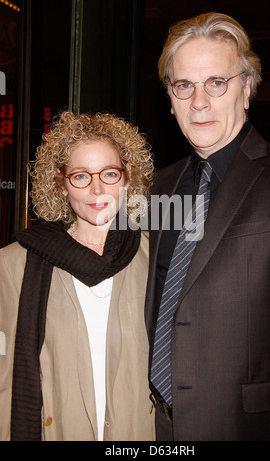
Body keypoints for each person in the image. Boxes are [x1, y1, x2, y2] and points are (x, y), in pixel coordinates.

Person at [145, 12, 270, 440]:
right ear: (171, 97)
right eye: (184, 86)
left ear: (247, 89)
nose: (199, 102)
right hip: (155, 427)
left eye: (217, 83)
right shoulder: (158, 187)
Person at [0, 111, 155, 441]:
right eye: (81, 176)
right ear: (61, 182)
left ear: (128, 176)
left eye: (109, 173)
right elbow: (4, 378)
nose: (97, 188)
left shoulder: (156, 257)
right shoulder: (14, 264)